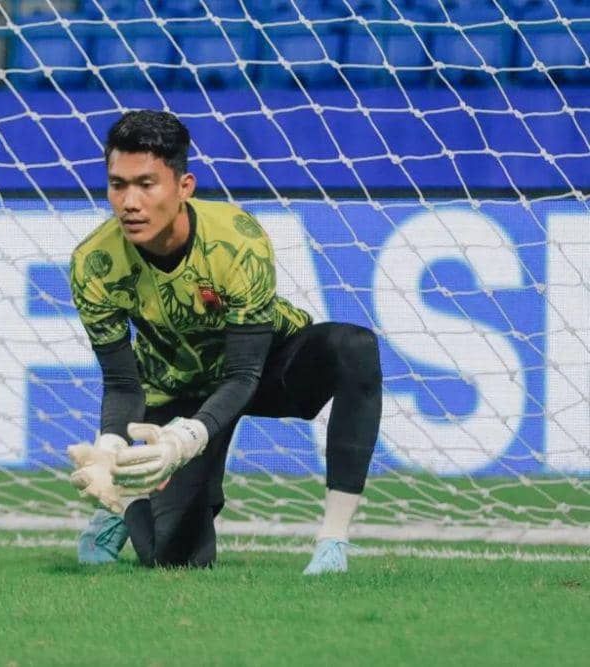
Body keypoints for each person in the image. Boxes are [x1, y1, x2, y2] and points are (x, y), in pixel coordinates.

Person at [67, 110, 382, 574]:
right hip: (179, 390)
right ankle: (129, 507)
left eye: (146, 184)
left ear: (184, 187)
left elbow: (243, 374)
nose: (129, 202)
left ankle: (332, 542)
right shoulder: (93, 264)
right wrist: (111, 448)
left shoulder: (237, 240)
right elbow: (122, 384)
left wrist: (187, 440)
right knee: (172, 559)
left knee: (354, 347)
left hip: (266, 366)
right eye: (118, 184)